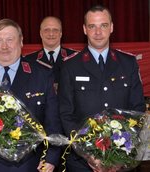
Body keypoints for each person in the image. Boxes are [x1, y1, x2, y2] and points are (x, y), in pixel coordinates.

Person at [59, 5, 146, 172]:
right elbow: (65, 114)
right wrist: (88, 154)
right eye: (92, 26)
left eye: (103, 25)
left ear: (112, 27)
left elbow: (138, 109)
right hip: (82, 163)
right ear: (85, 29)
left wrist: (120, 153)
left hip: (122, 161)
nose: (98, 32)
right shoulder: (70, 66)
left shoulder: (128, 63)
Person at [0, 18, 62, 172]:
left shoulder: (42, 75)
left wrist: (51, 157)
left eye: (10, 40)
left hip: (30, 163)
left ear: (21, 42)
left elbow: (53, 121)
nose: (4, 46)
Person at [25, 16, 77, 88]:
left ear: (61, 33)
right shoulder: (29, 60)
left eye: (55, 30)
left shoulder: (75, 57)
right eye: (47, 30)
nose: (51, 34)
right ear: (40, 33)